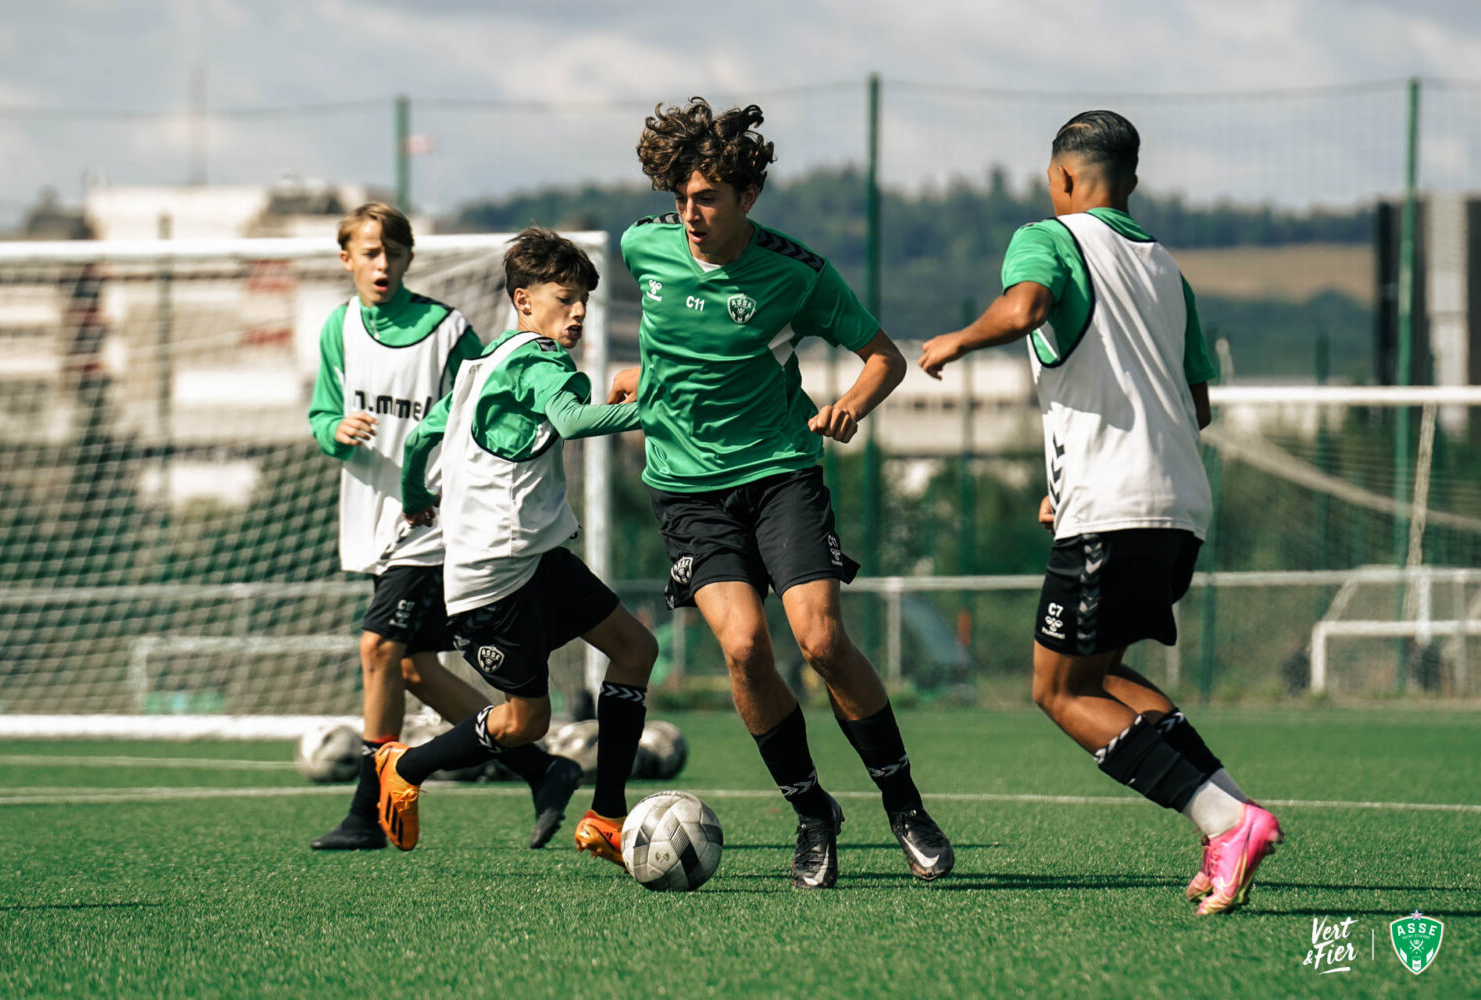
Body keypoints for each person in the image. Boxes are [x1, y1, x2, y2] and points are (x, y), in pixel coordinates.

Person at [918, 110, 1283, 915]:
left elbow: (1025, 308)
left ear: (1062, 178)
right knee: (1105, 673)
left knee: (1057, 690)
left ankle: (1227, 820)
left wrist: (955, 341)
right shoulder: (1167, 270)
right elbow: (1195, 406)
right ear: (1134, 182)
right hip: (1179, 506)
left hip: (1113, 506)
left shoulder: (1047, 237)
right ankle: (1232, 811)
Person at [609, 97, 953, 889]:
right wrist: (634, 374)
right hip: (687, 492)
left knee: (821, 642)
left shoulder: (798, 274)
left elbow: (884, 357)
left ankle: (905, 806)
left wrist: (851, 406)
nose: (690, 215)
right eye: (681, 199)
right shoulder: (641, 247)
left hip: (780, 474)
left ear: (748, 196)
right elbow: (667, 338)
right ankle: (811, 814)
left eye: (707, 199)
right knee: (743, 649)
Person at [373, 227, 657, 863]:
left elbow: (420, 440)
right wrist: (661, 405)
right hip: (491, 579)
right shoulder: (541, 361)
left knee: (635, 649)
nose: (578, 312)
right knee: (526, 722)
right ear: (523, 300)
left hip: (533, 558)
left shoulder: (484, 364)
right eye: (565, 298)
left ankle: (607, 817)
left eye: (584, 300)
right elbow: (573, 421)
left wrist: (417, 496)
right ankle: (405, 766)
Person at [307, 204, 581, 852]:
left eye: (393, 252)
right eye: (369, 252)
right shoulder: (338, 328)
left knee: (378, 649)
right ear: (346, 259)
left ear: (409, 259)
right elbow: (321, 415)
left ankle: (370, 808)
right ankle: (540, 768)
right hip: (373, 518)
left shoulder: (446, 329)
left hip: (431, 517)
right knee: (413, 670)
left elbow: (483, 398)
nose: (382, 263)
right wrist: (335, 429)